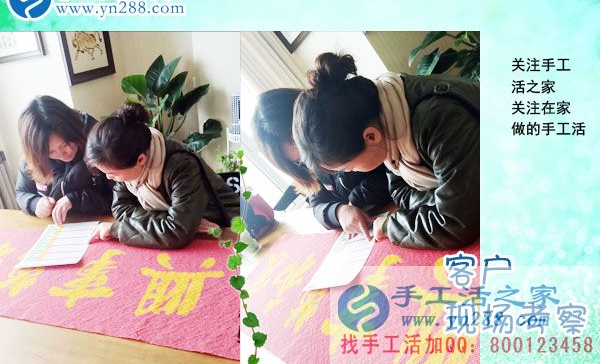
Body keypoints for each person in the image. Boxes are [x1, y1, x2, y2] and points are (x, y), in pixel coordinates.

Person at [293, 53, 479, 249]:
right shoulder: (385, 115)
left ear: (370, 137)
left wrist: (390, 226)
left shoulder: (437, 119)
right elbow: (400, 191)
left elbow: (456, 224)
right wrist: (442, 199)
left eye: (348, 168)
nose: (349, 173)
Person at [85, 103, 240, 249]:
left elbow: (177, 232)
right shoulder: (127, 160)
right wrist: (168, 218)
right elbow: (120, 209)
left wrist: (117, 229)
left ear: (140, 160)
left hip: (227, 229)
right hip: (191, 232)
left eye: (112, 173)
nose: (108, 178)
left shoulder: (181, 165)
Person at [252, 88, 392, 236]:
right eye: (300, 160)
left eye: (310, 151)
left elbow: (388, 171)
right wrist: (339, 212)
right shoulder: (307, 168)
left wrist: (356, 199)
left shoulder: (350, 124)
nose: (316, 164)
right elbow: (317, 203)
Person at [15, 96, 113, 224]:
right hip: (60, 225)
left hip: (103, 221)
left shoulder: (99, 142)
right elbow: (22, 192)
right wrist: (35, 203)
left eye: (65, 144)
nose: (63, 154)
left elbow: (119, 197)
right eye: (51, 152)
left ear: (75, 130)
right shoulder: (35, 154)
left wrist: (75, 199)